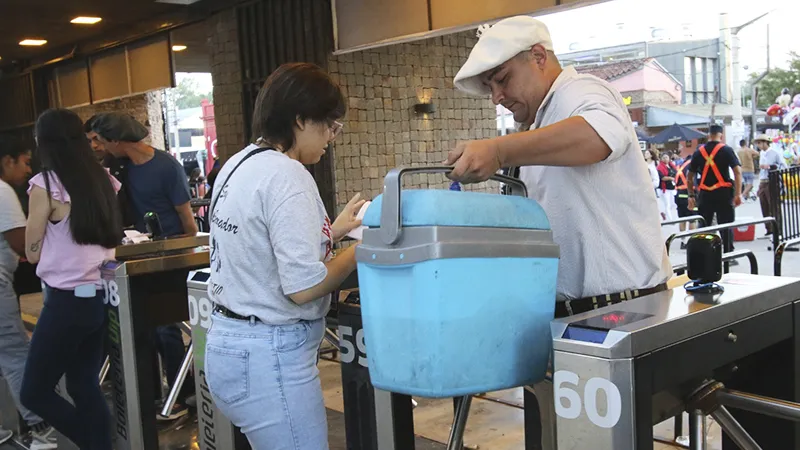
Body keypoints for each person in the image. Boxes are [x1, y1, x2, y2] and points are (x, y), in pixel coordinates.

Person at [448, 16, 671, 448]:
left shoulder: (582, 92)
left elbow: (598, 136)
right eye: (490, 88)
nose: (497, 97)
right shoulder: (536, 127)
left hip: (616, 313)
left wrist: (498, 150)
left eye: (502, 80)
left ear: (538, 56)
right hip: (566, 320)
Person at [205, 62, 364, 449]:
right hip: (269, 357)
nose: (331, 137)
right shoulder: (288, 175)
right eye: (329, 125)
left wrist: (334, 230)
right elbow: (303, 287)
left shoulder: (238, 163)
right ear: (300, 119)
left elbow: (258, 244)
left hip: (227, 345)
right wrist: (362, 249)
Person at [20, 108, 122, 450]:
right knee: (83, 384)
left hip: (65, 302)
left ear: (43, 142)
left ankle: (95, 445)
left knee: (34, 391)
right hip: (99, 296)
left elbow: (32, 251)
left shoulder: (46, 184)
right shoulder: (103, 179)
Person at [90, 113, 197, 419]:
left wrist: (187, 254)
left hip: (170, 258)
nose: (97, 146)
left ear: (116, 140)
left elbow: (187, 220)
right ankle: (150, 393)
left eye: (100, 140)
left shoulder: (166, 167)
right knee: (142, 327)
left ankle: (182, 393)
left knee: (167, 327)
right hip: (136, 257)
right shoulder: (118, 169)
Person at [0, 136, 57, 449]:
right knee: (14, 352)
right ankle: (41, 428)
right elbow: (23, 244)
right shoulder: (2, 191)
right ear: (7, 161)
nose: (27, 169)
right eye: (23, 162)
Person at [686, 125, 742, 253]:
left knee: (704, 225)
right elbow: (737, 172)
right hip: (723, 193)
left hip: (705, 194)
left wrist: (691, 195)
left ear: (708, 135)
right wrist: (738, 194)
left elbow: (689, 175)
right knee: (726, 226)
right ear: (721, 135)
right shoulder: (727, 150)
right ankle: (728, 254)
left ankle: (705, 254)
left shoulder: (699, 152)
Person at [755, 134, 786, 236]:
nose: (758, 145)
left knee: (774, 206)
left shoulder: (775, 153)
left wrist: (770, 166)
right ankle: (769, 228)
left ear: (765, 143)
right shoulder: (761, 153)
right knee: (764, 205)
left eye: (759, 143)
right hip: (762, 181)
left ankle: (778, 229)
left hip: (772, 181)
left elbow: (783, 166)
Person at [673, 142, 698, 248]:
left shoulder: (680, 165)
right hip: (689, 194)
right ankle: (692, 241)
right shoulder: (693, 165)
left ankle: (683, 241)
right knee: (692, 219)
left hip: (679, 195)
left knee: (682, 219)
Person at [657, 152, 677, 221]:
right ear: (661, 159)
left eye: (666, 157)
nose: (665, 159)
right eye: (664, 158)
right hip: (665, 188)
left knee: (673, 204)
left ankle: (665, 213)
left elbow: (676, 172)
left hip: (672, 187)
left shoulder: (672, 165)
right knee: (667, 204)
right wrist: (671, 178)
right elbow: (662, 178)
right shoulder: (660, 167)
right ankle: (670, 220)